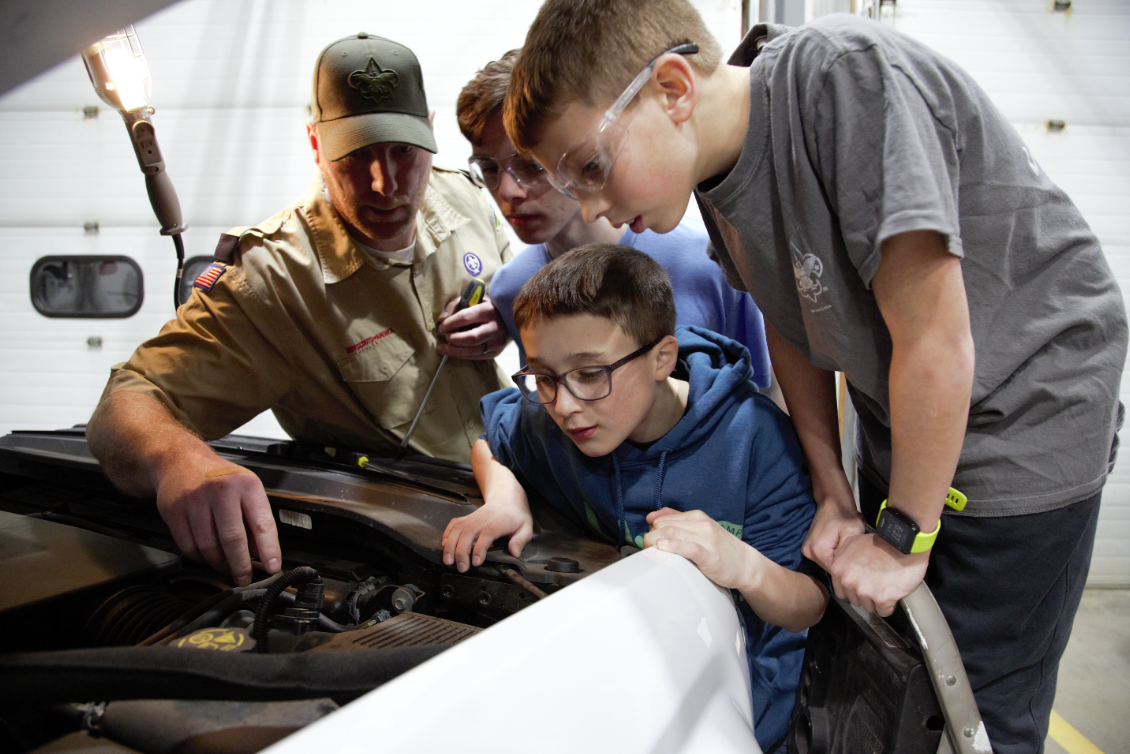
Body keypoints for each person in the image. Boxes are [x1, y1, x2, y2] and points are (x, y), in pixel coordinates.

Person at [503, 4, 1128, 752]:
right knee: (896, 685)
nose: (592, 206)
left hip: (1023, 415)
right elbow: (790, 320)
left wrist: (901, 535)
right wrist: (832, 490)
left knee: (979, 708)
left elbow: (935, 339)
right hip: (916, 423)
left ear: (673, 89)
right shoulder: (714, 170)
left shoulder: (844, 80)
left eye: (593, 168)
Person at [86, 33, 513, 588]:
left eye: (403, 151)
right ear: (315, 144)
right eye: (356, 155)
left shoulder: (463, 197)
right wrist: (180, 461)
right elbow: (124, 404)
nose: (385, 185)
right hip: (419, 546)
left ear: (429, 133)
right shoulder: (271, 284)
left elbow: (513, 282)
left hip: (518, 491)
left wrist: (507, 318)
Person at [442, 245, 826, 752]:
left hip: (742, 705)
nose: (565, 405)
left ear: (662, 358)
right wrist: (504, 498)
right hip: (624, 687)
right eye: (544, 377)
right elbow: (490, 441)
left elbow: (811, 605)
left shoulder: (755, 440)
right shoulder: (551, 420)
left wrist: (742, 565)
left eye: (591, 373)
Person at [456, 51, 772, 387]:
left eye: (532, 166)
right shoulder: (512, 288)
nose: (508, 191)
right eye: (489, 168)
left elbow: (764, 396)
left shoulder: (708, 261)